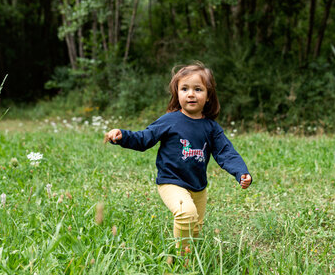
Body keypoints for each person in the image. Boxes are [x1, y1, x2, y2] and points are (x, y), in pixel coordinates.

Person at [104, 62, 252, 256]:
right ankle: (181, 261)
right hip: (171, 181)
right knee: (186, 214)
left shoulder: (211, 127)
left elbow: (226, 152)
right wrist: (122, 135)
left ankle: (189, 257)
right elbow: (144, 139)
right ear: (177, 93)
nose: (191, 94)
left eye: (198, 89)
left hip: (198, 186)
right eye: (185, 89)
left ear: (208, 96)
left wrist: (241, 172)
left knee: (194, 228)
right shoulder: (169, 120)